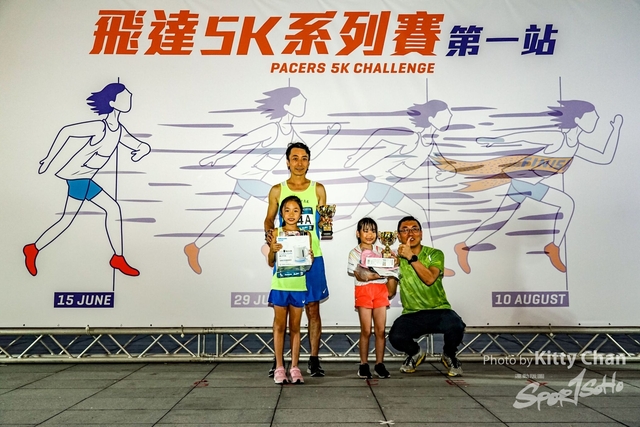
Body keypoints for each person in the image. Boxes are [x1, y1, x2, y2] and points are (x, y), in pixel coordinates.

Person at [453, 101, 623, 273]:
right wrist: (494, 141)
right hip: (524, 182)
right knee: (565, 204)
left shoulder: (575, 146)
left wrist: (615, 129)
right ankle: (552, 247)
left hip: (526, 183)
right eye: (593, 117)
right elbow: (524, 136)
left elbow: (604, 158)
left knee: (500, 219)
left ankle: (464, 246)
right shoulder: (558, 138)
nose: (597, 119)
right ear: (578, 119)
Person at [184, 86, 339, 274]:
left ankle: (195, 246)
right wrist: (216, 157)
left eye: (303, 159)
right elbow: (243, 141)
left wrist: (329, 136)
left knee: (227, 216)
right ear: (287, 106)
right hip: (248, 177)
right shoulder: (272, 129)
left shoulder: (290, 133)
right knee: (287, 204)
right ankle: (268, 246)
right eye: (300, 100)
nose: (299, 163)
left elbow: (310, 151)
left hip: (249, 181)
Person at [23, 82, 151, 277]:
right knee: (78, 217)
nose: (130, 96)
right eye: (125, 96)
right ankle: (33, 249)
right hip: (77, 177)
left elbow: (137, 144)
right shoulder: (100, 128)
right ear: (112, 103)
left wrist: (143, 149)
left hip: (85, 179)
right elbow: (66, 131)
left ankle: (34, 248)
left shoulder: (118, 130)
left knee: (99, 212)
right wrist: (48, 160)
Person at [341, 100, 457, 276]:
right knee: (350, 219)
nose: (450, 116)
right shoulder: (413, 138)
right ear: (432, 118)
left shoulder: (430, 145)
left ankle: (427, 261)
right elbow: (380, 134)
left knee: (419, 211)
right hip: (380, 185)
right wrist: (356, 156)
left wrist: (449, 172)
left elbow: (444, 164)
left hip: (388, 189)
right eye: (446, 113)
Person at [264, 142, 328, 377]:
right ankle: (279, 361)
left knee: (313, 309)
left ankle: (313, 359)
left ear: (309, 162)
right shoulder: (277, 190)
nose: (299, 163)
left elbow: (324, 222)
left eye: (304, 158)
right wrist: (270, 235)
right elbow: (269, 219)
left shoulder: (318, 189)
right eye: (295, 158)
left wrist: (326, 224)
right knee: (282, 311)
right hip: (286, 257)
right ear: (288, 162)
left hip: (313, 256)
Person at [387, 215, 466, 377]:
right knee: (396, 336)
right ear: (398, 236)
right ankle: (415, 353)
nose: (410, 233)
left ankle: (449, 354)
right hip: (412, 313)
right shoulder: (396, 258)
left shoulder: (435, 254)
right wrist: (387, 270)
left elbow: (429, 279)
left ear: (421, 234)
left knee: (456, 325)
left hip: (439, 310)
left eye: (415, 229)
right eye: (405, 230)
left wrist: (411, 257)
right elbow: (390, 292)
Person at [267, 195, 312, 384]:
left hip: (298, 286)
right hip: (280, 285)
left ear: (301, 214)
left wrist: (309, 257)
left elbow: (307, 265)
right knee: (279, 326)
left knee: (295, 327)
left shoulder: (306, 235)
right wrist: (273, 250)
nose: (291, 214)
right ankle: (279, 367)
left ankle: (294, 367)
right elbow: (271, 262)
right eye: (287, 210)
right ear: (281, 213)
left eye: (295, 210)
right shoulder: (276, 232)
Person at [346, 217, 397, 379]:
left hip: (380, 290)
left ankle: (379, 364)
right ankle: (363, 364)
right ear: (358, 233)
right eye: (366, 231)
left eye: (373, 231)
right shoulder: (354, 253)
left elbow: (392, 269)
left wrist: (393, 263)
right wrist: (376, 274)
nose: (370, 234)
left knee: (380, 330)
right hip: (363, 291)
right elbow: (359, 275)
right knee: (366, 330)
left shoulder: (382, 250)